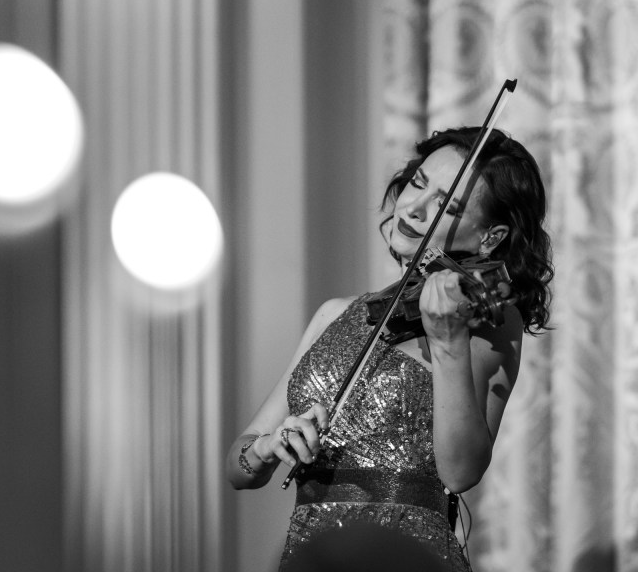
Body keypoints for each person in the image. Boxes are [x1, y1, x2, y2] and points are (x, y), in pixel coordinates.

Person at [226, 127, 553, 571]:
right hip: (315, 556)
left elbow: (461, 472)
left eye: (446, 206)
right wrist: (268, 447)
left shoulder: (485, 321)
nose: (415, 208)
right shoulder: (335, 313)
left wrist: (448, 343)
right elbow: (238, 467)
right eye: (418, 183)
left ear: (490, 238)